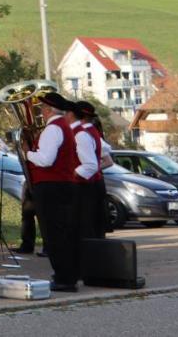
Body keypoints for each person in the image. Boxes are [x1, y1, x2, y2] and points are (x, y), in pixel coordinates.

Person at [25, 91, 80, 292]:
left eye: (41, 109)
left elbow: (46, 160)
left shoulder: (53, 129)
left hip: (51, 187)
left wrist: (27, 153)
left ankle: (64, 278)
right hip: (62, 185)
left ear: (48, 110)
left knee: (54, 234)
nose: (41, 113)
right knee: (61, 232)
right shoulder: (63, 127)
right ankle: (65, 275)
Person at [70, 99, 109, 251]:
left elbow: (93, 163)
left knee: (86, 225)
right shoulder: (92, 131)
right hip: (95, 182)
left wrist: (76, 172)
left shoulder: (83, 133)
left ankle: (90, 260)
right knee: (93, 224)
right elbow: (106, 153)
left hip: (86, 184)